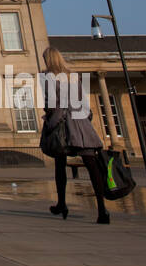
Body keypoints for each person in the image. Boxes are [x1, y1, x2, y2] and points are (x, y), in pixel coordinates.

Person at [42, 47, 109, 224]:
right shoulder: (73, 76)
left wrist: (51, 124)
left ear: (48, 60)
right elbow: (84, 102)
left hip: (63, 125)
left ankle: (62, 204)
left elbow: (53, 105)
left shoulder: (48, 76)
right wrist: (86, 120)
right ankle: (102, 210)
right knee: (92, 165)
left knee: (60, 164)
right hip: (80, 123)